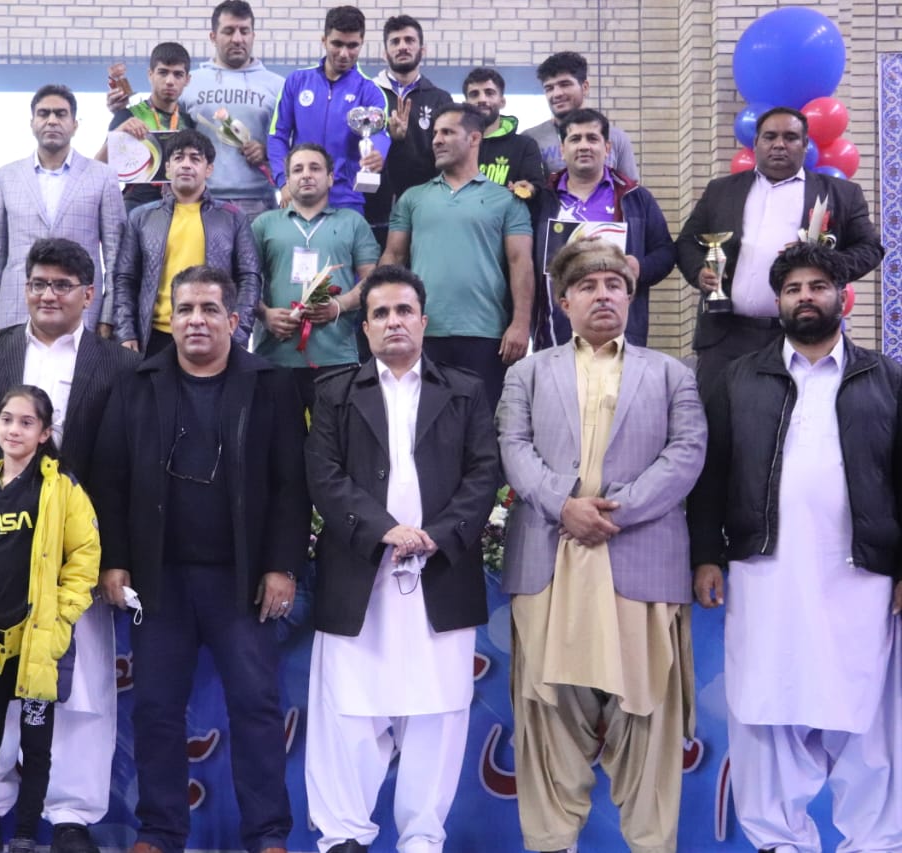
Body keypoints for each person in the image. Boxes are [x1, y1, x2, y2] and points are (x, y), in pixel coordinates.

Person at [688, 242, 902, 853]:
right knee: (766, 704)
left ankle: (876, 842)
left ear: (842, 298)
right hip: (767, 573)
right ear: (778, 302)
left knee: (868, 713)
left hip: (862, 576)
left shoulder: (886, 378)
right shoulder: (738, 378)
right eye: (792, 289)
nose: (805, 297)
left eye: (817, 286)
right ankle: (779, 840)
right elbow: (711, 475)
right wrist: (705, 555)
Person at [497, 239, 706, 853]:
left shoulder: (671, 374)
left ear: (631, 296)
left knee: (647, 717)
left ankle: (650, 844)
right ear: (564, 302)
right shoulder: (527, 373)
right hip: (549, 559)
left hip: (638, 560)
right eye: (587, 286)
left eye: (614, 285)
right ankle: (553, 842)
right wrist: (563, 504)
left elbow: (687, 453)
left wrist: (617, 512)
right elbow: (513, 448)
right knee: (548, 717)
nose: (603, 295)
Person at [92, 265, 308, 853]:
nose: (196, 320)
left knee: (256, 707)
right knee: (156, 709)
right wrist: (114, 560)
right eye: (185, 308)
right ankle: (161, 831)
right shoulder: (137, 383)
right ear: (171, 317)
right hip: (158, 580)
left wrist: (281, 566)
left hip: (242, 581)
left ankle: (267, 834)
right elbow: (109, 480)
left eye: (210, 309)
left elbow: (291, 485)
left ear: (233, 320)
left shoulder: (270, 385)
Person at [0, 237, 138, 853]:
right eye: (38, 283)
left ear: (89, 294)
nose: (48, 294)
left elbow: (127, 465)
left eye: (62, 285)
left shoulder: (118, 364)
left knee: (78, 691)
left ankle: (71, 816)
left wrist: (114, 558)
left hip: (76, 558)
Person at [303, 265, 500, 853]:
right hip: (360, 573)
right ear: (364, 328)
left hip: (441, 571)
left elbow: (483, 473)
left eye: (404, 311)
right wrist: (383, 530)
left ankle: (421, 840)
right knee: (348, 712)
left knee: (437, 714)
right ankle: (344, 836)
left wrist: (436, 535)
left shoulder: (465, 390)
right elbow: (324, 475)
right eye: (381, 313)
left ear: (423, 321)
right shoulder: (334, 392)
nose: (393, 322)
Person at [0, 384, 100, 853]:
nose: (14, 430)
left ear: (45, 433)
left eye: (27, 422)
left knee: (36, 742)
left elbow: (85, 555)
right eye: (7, 420)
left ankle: (27, 834)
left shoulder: (61, 489)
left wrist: (63, 616)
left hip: (37, 639)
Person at [676, 106, 884, 397]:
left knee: (791, 419)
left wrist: (823, 261)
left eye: (790, 137)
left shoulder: (840, 194)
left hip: (800, 336)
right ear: (756, 143)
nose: (779, 144)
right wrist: (699, 272)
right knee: (719, 420)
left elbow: (870, 248)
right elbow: (686, 242)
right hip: (725, 335)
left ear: (805, 144)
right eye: (770, 137)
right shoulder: (721, 191)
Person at [381, 102, 534, 408]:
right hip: (420, 332)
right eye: (435, 133)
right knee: (423, 425)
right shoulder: (413, 198)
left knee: (481, 426)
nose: (436, 140)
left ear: (474, 138)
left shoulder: (506, 200)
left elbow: (521, 262)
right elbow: (392, 258)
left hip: (486, 334)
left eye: (447, 132)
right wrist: (385, 316)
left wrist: (520, 324)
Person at [0, 84, 126, 334]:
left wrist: (108, 317)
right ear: (32, 123)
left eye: (60, 114)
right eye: (43, 113)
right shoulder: (5, 177)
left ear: (75, 124)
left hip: (81, 312)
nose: (51, 121)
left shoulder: (103, 177)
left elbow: (115, 256)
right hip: (15, 311)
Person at [112, 128, 261, 355]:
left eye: (195, 158)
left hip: (212, 334)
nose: (186, 165)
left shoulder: (232, 217)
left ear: (208, 169)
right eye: (179, 157)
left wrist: (239, 334)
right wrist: (126, 333)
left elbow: (249, 278)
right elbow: (125, 278)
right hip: (153, 336)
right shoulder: (141, 217)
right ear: (167, 167)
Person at [251, 143, 378, 408]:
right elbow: (245, 281)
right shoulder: (265, 224)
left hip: (337, 357)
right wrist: (265, 315)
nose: (306, 175)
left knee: (333, 435)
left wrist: (339, 305)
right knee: (281, 434)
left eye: (315, 168)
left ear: (330, 178)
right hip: (276, 354)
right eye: (298, 169)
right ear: (287, 180)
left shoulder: (352, 222)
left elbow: (373, 281)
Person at [534, 108, 673, 348]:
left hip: (622, 335)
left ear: (607, 148)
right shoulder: (541, 200)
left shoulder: (635, 198)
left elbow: (666, 252)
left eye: (592, 138)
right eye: (575, 139)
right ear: (562, 149)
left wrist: (640, 268)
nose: (584, 146)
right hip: (554, 335)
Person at [267, 6, 389, 216]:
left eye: (352, 45)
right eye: (337, 44)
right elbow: (277, 135)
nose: (344, 53)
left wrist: (378, 153)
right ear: (324, 40)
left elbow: (380, 134)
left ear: (362, 43)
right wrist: (283, 181)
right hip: (301, 196)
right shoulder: (296, 81)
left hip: (347, 199)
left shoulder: (370, 91)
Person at [180, 0, 285, 221]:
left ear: (253, 36)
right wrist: (121, 110)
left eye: (244, 31)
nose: (237, 39)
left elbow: (291, 142)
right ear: (213, 37)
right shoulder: (189, 83)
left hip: (259, 203)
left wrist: (266, 151)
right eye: (228, 31)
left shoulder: (277, 86)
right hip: (201, 199)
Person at [363, 15, 455, 244]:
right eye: (395, 41)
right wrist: (391, 139)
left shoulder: (440, 98)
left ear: (422, 50)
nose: (402, 46)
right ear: (384, 53)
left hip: (424, 208)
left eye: (409, 40)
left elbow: (448, 156)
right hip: (371, 207)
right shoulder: (367, 93)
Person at [104, 43, 198, 213]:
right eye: (163, 72)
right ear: (150, 75)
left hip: (179, 208)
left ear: (187, 80)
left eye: (178, 74)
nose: (170, 81)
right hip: (136, 208)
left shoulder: (189, 122)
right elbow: (98, 168)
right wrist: (119, 132)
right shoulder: (127, 116)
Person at [523, 52, 639, 180]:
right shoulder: (530, 139)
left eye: (565, 84)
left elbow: (630, 189)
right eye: (549, 88)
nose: (557, 93)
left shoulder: (616, 138)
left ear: (585, 87)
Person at [464, 66, 546, 202]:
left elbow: (537, 189)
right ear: (466, 104)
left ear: (502, 102)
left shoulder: (525, 146)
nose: (482, 99)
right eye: (474, 94)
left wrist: (528, 190)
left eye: (489, 93)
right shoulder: (455, 145)